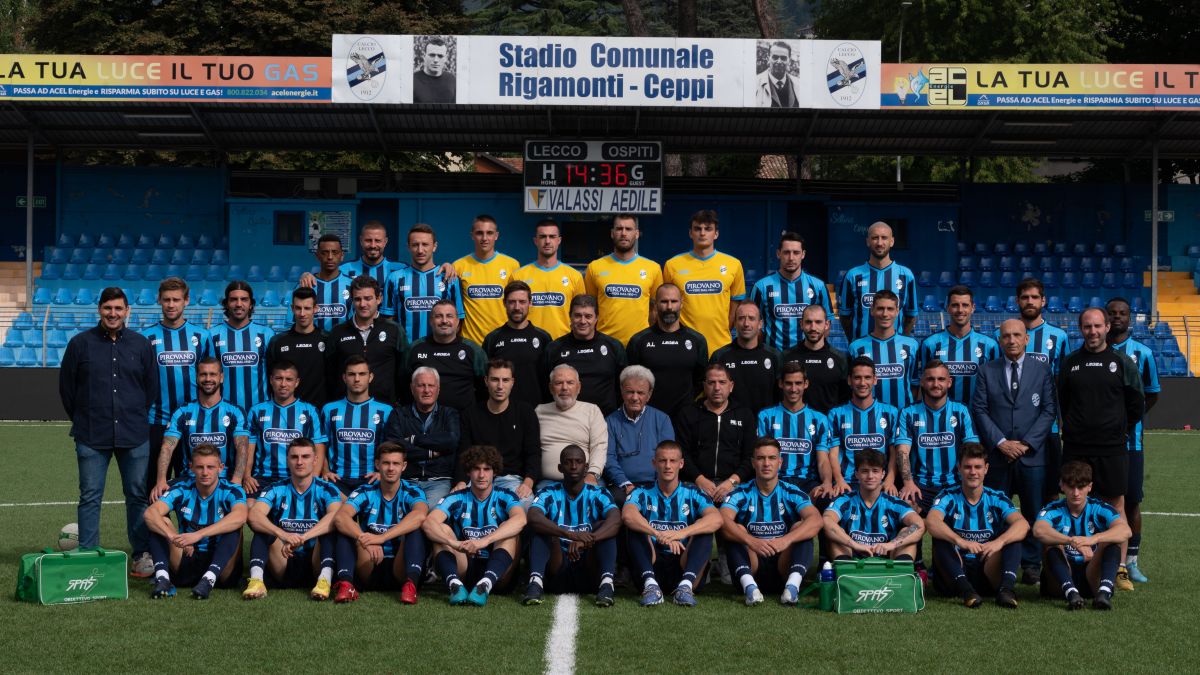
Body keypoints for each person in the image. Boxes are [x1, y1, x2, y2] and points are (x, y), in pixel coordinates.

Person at [60, 286, 159, 577]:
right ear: (99, 310)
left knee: (137, 495)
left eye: (118, 308)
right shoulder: (80, 344)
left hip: (134, 433)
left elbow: (150, 388)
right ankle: (89, 554)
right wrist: (84, 418)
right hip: (92, 434)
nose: (113, 313)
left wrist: (133, 414)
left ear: (127, 311)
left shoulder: (141, 345)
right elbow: (67, 390)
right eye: (108, 308)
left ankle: (141, 554)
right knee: (90, 495)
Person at [1058, 307, 1144, 592]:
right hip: (1076, 447)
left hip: (1111, 448)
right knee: (1074, 503)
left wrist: (1116, 428)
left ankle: (1118, 569)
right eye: (1086, 327)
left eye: (1097, 326)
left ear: (1107, 327)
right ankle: (1074, 560)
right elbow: (1064, 400)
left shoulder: (1121, 362)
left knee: (1115, 504)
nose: (1092, 332)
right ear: (1080, 329)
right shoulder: (1070, 363)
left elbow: (1136, 403)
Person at [972, 318, 1058, 584]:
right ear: (1000, 340)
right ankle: (994, 558)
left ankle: (1031, 564)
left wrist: (1026, 443)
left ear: (1026, 339)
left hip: (1032, 456)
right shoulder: (987, 370)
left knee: (1033, 511)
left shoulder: (1042, 370)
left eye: (1016, 335)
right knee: (997, 510)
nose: (1011, 340)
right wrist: (1000, 442)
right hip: (998, 456)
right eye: (1006, 336)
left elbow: (1048, 410)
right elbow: (980, 410)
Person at [720, 438, 822, 605]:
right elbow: (722, 520)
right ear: (753, 463)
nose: (766, 463)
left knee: (800, 526)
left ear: (780, 462)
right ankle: (750, 588)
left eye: (772, 458)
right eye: (760, 458)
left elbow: (816, 520)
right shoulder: (741, 492)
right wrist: (751, 541)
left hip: (783, 566)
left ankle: (792, 587)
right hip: (752, 565)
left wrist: (785, 540)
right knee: (735, 529)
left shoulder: (791, 491)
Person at [925, 443, 1027, 609]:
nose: (973, 472)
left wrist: (999, 542)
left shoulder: (996, 497)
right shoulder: (948, 496)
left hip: (985, 570)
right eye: (968, 467)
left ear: (986, 468)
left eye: (978, 467)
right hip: (955, 575)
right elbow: (932, 521)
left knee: (1013, 537)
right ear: (959, 468)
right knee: (940, 538)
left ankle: (1006, 590)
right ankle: (966, 592)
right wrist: (961, 541)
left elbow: (1022, 524)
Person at [622, 441, 724, 607]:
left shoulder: (694, 492)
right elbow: (628, 515)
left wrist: (681, 533)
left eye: (673, 461)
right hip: (651, 565)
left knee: (704, 528)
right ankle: (651, 587)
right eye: (662, 461)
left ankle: (685, 587)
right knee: (635, 527)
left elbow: (717, 519)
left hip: (683, 565)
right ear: (654, 463)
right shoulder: (641, 492)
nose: (667, 466)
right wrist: (658, 534)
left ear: (681, 464)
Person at [423, 445, 526, 606]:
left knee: (510, 528)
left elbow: (521, 520)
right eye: (476, 469)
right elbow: (429, 523)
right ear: (468, 472)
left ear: (495, 472)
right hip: (465, 568)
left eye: (487, 469)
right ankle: (455, 585)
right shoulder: (456, 498)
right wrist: (454, 543)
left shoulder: (505, 496)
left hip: (498, 574)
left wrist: (484, 541)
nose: (481, 475)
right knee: (441, 529)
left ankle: (485, 584)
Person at [243, 437, 342, 600]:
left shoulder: (327, 489)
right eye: (294, 457)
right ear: (287, 460)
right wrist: (283, 535)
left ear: (315, 460)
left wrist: (303, 537)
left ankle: (324, 581)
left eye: (305, 456)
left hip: (315, 561)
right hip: (283, 560)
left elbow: (336, 515)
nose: (299, 462)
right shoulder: (275, 488)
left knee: (330, 528)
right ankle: (256, 581)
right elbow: (253, 515)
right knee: (262, 530)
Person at [523, 445, 622, 607]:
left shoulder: (599, 493)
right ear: (560, 468)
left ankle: (606, 584)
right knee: (541, 527)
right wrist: (570, 535)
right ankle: (535, 582)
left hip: (589, 568)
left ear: (586, 467)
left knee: (605, 525)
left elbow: (616, 520)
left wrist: (587, 540)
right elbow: (533, 516)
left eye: (578, 462)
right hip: (557, 568)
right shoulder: (548, 492)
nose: (574, 466)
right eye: (568, 462)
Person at [144, 445, 248, 599]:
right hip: (186, 559)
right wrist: (174, 537)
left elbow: (240, 516)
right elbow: (150, 513)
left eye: (210, 467)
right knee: (160, 522)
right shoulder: (181, 487)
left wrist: (197, 535)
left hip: (221, 565)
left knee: (235, 528)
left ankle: (209, 579)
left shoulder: (232, 490)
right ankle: (163, 579)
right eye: (200, 467)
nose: (205, 472)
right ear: (191, 467)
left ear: (221, 468)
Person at [331, 442, 429, 604]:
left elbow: (420, 515)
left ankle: (410, 586)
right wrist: (364, 538)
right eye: (386, 463)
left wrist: (381, 538)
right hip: (369, 562)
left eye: (396, 463)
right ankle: (346, 584)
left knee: (416, 528)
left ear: (403, 466)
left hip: (401, 565)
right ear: (377, 464)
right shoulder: (365, 491)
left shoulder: (412, 491)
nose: (391, 468)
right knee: (344, 528)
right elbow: (340, 517)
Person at [1105, 296, 1159, 583]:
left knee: (1132, 501)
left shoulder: (1143, 353)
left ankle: (1132, 561)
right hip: (1100, 443)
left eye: (1122, 313)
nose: (1117, 317)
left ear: (1130, 317)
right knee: (1099, 498)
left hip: (1131, 444)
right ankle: (1099, 556)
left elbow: (1152, 393)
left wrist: (1128, 421)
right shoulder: (1092, 351)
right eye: (1111, 313)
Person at [142, 277, 212, 492]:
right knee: (153, 486)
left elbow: (210, 378)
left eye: (176, 299)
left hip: (192, 423)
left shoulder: (202, 336)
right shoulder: (146, 337)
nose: (171, 304)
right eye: (166, 300)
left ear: (186, 301)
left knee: (192, 483)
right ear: (159, 301)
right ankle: (154, 527)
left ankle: (187, 526)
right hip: (156, 422)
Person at [1033, 460, 1132, 610]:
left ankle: (1104, 593)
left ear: (1089, 487)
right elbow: (1038, 530)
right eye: (1071, 487)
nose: (1076, 493)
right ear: (1062, 485)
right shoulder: (1053, 509)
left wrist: (1093, 539)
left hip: (1091, 575)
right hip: (1060, 579)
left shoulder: (1099, 508)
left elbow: (1125, 531)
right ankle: (1072, 594)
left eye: (1081, 487)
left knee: (1112, 541)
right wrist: (1071, 541)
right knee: (1051, 542)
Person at [152, 358, 249, 500]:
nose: (208, 379)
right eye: (203, 374)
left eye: (212, 374)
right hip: (189, 479)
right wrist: (161, 480)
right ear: (196, 377)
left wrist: (236, 480)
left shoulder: (235, 412)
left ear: (221, 377)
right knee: (155, 503)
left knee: (238, 511)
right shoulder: (182, 412)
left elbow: (242, 446)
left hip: (224, 480)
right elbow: (167, 446)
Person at [892, 359, 979, 515]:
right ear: (922, 382)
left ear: (949, 382)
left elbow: (972, 451)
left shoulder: (961, 411)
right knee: (907, 511)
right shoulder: (908, 413)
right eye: (930, 379)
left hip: (955, 483)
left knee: (965, 517)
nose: (936, 384)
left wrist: (969, 483)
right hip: (920, 484)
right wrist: (908, 482)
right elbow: (902, 452)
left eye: (941, 379)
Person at [1012, 277, 1069, 500]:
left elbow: (1062, 384)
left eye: (1035, 297)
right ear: (1017, 301)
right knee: (1006, 492)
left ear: (1043, 301)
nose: (1030, 301)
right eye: (1025, 297)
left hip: (1048, 430)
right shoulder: (1005, 335)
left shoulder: (1058, 337)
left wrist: (1063, 420)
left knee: (1049, 492)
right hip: (1012, 430)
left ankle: (1047, 535)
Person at [663, 209, 747, 356]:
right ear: (690, 233)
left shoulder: (733, 264)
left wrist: (722, 328)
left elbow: (736, 305)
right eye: (697, 229)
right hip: (683, 345)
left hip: (721, 345)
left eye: (708, 229)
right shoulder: (672, 265)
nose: (702, 233)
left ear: (716, 234)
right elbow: (665, 305)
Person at [458, 358, 542, 503]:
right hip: (478, 477)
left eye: (505, 380)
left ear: (512, 382)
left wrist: (528, 483)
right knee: (455, 506)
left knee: (527, 506)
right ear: (486, 381)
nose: (500, 386)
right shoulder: (470, 414)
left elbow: (533, 452)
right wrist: (460, 482)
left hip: (512, 480)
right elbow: (463, 453)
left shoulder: (525, 412)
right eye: (495, 380)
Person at [244, 360, 327, 498]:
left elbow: (319, 447)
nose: (283, 384)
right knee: (250, 511)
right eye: (278, 378)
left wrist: (313, 479)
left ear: (297, 382)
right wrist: (247, 475)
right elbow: (249, 448)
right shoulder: (257, 411)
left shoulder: (310, 411)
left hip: (299, 477)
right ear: (271, 380)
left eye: (289, 379)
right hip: (264, 478)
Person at [823, 448, 925, 560]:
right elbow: (826, 521)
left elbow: (918, 525)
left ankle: (900, 573)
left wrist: (891, 544)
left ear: (883, 474)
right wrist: (854, 544)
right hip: (853, 556)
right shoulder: (845, 501)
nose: (870, 476)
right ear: (856, 474)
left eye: (875, 471)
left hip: (887, 558)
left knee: (906, 533)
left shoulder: (894, 503)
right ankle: (846, 571)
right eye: (865, 471)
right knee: (835, 532)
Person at [675, 363, 755, 504]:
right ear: (704, 386)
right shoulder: (688, 413)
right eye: (711, 383)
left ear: (731, 386)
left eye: (722, 382)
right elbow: (681, 454)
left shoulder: (745, 415)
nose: (717, 388)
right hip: (695, 484)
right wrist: (700, 480)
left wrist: (731, 482)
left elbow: (750, 457)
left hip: (735, 486)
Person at [626, 283, 709, 418]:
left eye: (674, 301)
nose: (669, 307)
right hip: (648, 416)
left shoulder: (697, 341)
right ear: (656, 304)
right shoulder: (639, 341)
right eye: (664, 302)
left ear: (681, 304)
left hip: (685, 416)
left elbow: (701, 379)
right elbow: (630, 379)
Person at [382, 367, 462, 507]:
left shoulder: (449, 414)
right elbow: (395, 447)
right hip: (406, 480)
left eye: (431, 385)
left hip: (439, 481)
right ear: (412, 388)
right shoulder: (398, 415)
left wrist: (414, 439)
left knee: (429, 512)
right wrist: (430, 453)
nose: (426, 390)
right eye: (421, 385)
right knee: (403, 514)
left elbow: (451, 441)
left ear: (438, 389)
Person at [755, 362, 835, 495]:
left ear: (806, 384)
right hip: (776, 480)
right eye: (788, 383)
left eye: (798, 383)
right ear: (781, 384)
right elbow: (763, 456)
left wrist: (826, 482)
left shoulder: (819, 419)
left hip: (808, 482)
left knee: (826, 499)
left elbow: (823, 460)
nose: (793, 389)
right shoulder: (766, 416)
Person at [584, 213, 663, 345]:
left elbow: (656, 309)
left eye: (628, 229)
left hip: (640, 343)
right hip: (604, 343)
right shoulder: (595, 267)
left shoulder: (653, 268)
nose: (624, 233)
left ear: (637, 234)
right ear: (612, 233)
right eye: (619, 229)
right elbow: (589, 308)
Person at [321, 355, 395, 496]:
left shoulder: (385, 411)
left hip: (372, 479)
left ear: (370, 377)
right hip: (338, 479)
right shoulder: (329, 410)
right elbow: (321, 445)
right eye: (351, 374)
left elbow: (391, 448)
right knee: (337, 515)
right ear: (344, 378)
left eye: (362, 374)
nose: (357, 379)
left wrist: (381, 472)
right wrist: (325, 471)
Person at [327, 275, 407, 403]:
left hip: (386, 408)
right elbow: (329, 374)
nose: (362, 304)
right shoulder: (338, 332)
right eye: (357, 299)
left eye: (368, 298)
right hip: (346, 410)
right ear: (352, 301)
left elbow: (403, 372)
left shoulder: (395, 330)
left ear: (379, 299)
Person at [604, 366, 676, 505]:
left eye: (640, 393)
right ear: (622, 392)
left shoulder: (662, 419)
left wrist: (657, 485)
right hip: (622, 486)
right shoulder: (610, 421)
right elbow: (609, 458)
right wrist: (626, 484)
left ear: (649, 394)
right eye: (630, 392)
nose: (635, 398)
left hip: (657, 484)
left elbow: (668, 456)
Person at [827, 357, 900, 494]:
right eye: (857, 378)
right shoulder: (836, 414)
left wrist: (889, 480)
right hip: (847, 483)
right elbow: (833, 454)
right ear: (849, 380)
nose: (862, 383)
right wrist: (839, 480)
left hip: (880, 483)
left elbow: (894, 452)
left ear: (875, 380)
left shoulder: (891, 413)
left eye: (867, 377)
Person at [383, 223, 464, 345]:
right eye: (415, 245)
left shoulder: (449, 278)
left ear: (434, 246)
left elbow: (458, 320)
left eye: (425, 244)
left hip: (440, 351)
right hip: (406, 352)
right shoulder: (394, 278)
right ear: (408, 247)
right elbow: (388, 320)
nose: (420, 250)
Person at [918, 285, 999, 406]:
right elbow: (923, 384)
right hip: (941, 417)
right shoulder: (930, 344)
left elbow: (995, 386)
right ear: (948, 308)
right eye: (955, 305)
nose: (960, 310)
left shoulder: (989, 345)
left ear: (973, 308)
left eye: (965, 305)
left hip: (977, 417)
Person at [546, 294, 626, 416]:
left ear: (596, 318)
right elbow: (545, 385)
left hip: (606, 419)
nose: (583, 321)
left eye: (588, 316)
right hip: (565, 418)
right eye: (578, 316)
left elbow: (623, 385)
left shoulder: (613, 346)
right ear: (570, 317)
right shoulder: (554, 348)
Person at [751, 232, 832, 352]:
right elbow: (753, 325)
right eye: (786, 252)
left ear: (803, 254)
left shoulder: (818, 286)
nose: (791, 258)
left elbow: (827, 325)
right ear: (778, 254)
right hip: (774, 358)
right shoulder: (761, 287)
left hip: (807, 357)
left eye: (796, 252)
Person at [839, 221, 917, 340]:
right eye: (875, 238)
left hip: (895, 351)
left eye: (884, 238)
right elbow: (845, 317)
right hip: (861, 352)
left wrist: (901, 341)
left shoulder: (906, 275)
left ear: (892, 241)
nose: (879, 243)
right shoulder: (853, 276)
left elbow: (911, 316)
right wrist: (855, 342)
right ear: (868, 241)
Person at [404, 299, 486, 410]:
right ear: (430, 321)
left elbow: (485, 387)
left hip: (463, 420)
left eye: (449, 316)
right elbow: (402, 384)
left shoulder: (473, 350)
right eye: (438, 316)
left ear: (457, 321)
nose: (444, 320)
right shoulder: (414, 349)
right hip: (424, 421)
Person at [535, 365, 608, 490]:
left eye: (570, 383)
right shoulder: (539, 411)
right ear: (551, 388)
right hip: (548, 483)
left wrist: (592, 474)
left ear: (578, 387)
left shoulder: (592, 411)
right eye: (558, 383)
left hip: (585, 479)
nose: (564, 388)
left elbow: (599, 446)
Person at [206, 281, 274, 411]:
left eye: (244, 299)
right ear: (226, 303)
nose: (238, 304)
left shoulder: (267, 334)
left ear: (251, 304)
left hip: (260, 412)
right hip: (223, 412)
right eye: (233, 299)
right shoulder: (212, 335)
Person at [455, 214, 521, 346]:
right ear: (472, 235)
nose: (484, 238)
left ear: (496, 235)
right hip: (470, 342)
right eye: (479, 233)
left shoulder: (512, 265)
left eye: (489, 233)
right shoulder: (458, 266)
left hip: (503, 341)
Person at [848, 289, 919, 411]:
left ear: (897, 311)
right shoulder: (856, 347)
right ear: (872, 310)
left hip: (903, 417)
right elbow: (851, 386)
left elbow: (916, 384)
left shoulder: (911, 346)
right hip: (869, 418)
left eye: (890, 309)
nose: (885, 314)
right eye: (880, 308)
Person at [483, 280, 551, 406]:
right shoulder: (492, 339)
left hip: (537, 409)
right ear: (504, 303)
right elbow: (485, 380)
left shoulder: (543, 338)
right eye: (512, 302)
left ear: (530, 303)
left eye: (522, 302)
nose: (517, 307)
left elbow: (549, 378)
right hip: (501, 410)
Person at [515, 219, 585, 340]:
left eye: (552, 237)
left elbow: (582, 314)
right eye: (543, 237)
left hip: (564, 344)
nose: (547, 241)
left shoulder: (574, 276)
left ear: (559, 240)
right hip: (528, 342)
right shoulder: (520, 276)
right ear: (535, 241)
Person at [710, 301, 783, 415]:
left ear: (760, 324)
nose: (746, 323)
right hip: (731, 426)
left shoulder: (774, 356)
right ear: (735, 323)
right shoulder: (720, 356)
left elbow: (781, 396)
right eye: (741, 318)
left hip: (765, 427)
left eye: (751, 318)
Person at [266, 287, 331, 408]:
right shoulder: (278, 342)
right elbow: (271, 381)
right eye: (298, 308)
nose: (302, 313)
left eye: (307, 308)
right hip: (286, 412)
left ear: (315, 309)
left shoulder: (327, 340)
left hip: (319, 412)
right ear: (292, 308)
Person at [782, 304, 850, 414]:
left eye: (818, 322)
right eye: (808, 322)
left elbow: (845, 399)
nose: (813, 327)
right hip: (794, 426)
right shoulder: (787, 357)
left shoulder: (840, 358)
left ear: (827, 324)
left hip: (828, 426)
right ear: (801, 324)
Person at [305, 234, 354, 333]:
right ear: (317, 256)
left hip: (343, 344)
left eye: (335, 252)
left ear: (342, 255)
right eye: (325, 253)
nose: (330, 257)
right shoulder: (307, 284)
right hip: (314, 344)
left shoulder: (352, 285)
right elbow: (293, 323)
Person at [755, 41, 801, 108]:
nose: (779, 61)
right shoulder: (755, 84)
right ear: (768, 58)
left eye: (783, 58)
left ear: (789, 61)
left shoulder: (799, 84)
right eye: (775, 57)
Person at [413, 36, 456, 103]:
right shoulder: (413, 80)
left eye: (440, 56)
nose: (436, 60)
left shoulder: (452, 80)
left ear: (446, 58)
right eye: (432, 55)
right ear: (424, 56)